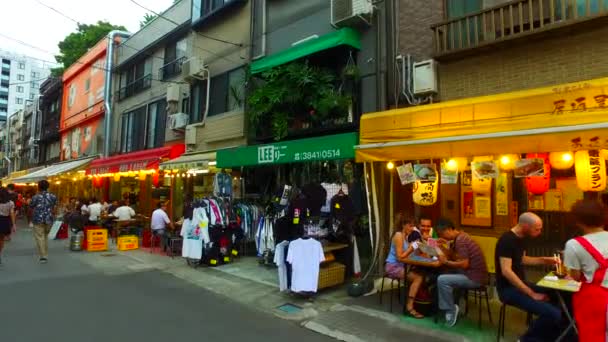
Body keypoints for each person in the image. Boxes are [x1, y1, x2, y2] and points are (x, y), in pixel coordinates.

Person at [495, 212, 562, 341]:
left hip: (521, 285)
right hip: (507, 290)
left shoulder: (522, 238)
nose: (540, 232)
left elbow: (522, 259)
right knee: (553, 314)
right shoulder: (507, 240)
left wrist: (545, 260)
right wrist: (531, 293)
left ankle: (549, 334)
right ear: (525, 225)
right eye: (537, 229)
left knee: (556, 295)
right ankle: (526, 339)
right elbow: (506, 271)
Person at [564, 200, 608, 341]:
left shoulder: (574, 245)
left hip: (594, 299)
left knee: (593, 336)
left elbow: (575, 277)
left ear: (578, 221)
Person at [435, 218, 488, 327]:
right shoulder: (461, 236)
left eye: (442, 234)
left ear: (449, 229)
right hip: (472, 273)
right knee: (443, 273)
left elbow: (464, 264)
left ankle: (451, 309)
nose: (443, 237)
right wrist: (445, 246)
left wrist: (446, 262)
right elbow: (456, 257)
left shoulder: (461, 240)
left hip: (474, 278)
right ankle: (456, 301)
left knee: (442, 279)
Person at [385, 214, 439, 319]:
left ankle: (423, 303)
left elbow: (429, 253)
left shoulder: (411, 236)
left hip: (406, 266)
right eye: (410, 226)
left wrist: (427, 242)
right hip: (394, 266)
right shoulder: (399, 235)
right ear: (403, 225)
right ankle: (409, 307)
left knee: (424, 274)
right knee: (418, 278)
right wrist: (412, 247)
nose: (412, 228)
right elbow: (400, 257)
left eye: (413, 226)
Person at [29, 180, 57, 264]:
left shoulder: (35, 197)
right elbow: (55, 207)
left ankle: (43, 256)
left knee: (40, 237)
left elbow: (31, 206)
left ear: (38, 187)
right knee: (45, 236)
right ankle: (45, 252)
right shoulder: (53, 196)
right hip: (49, 219)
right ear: (48, 187)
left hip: (38, 219)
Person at [0, 188, 17, 264]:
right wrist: (13, 225)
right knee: (1, 239)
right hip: (4, 221)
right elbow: (12, 214)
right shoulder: (10, 203)